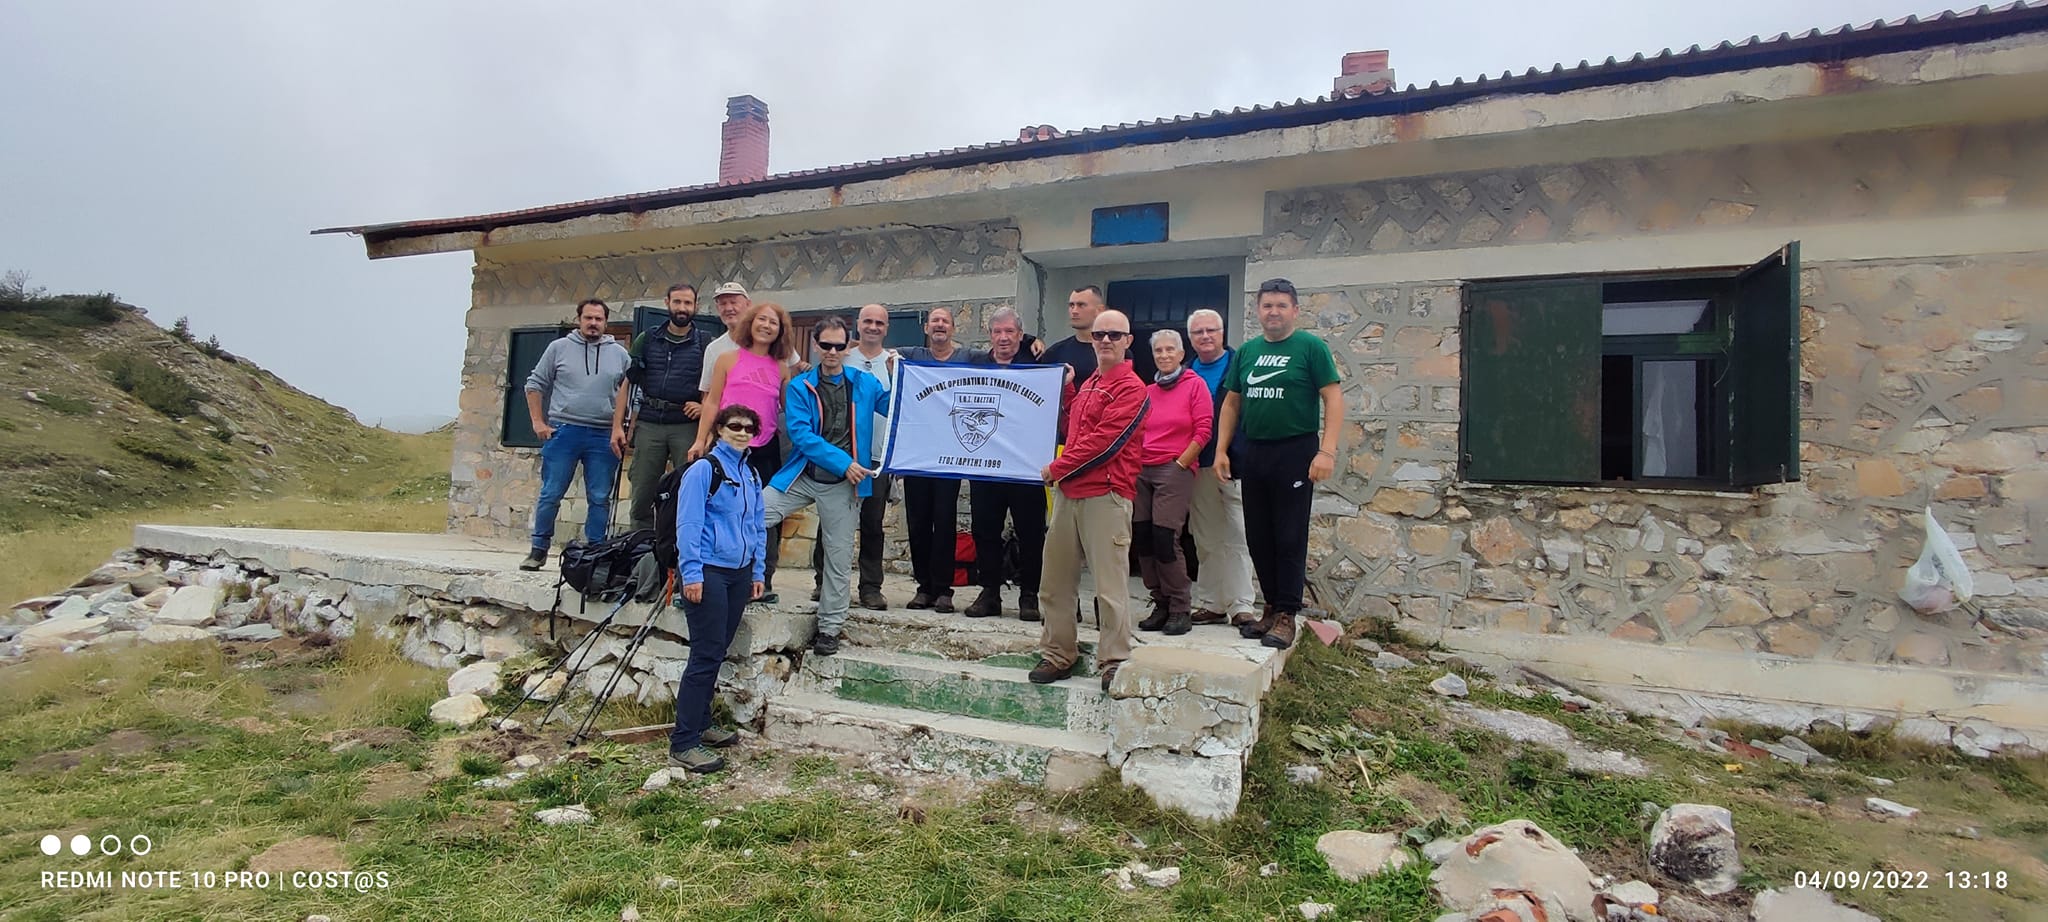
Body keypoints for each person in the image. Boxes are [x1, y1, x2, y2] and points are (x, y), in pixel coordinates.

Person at [1213, 279, 1344, 651]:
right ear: (1258, 310)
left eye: (1281, 305)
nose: (1273, 312)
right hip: (1255, 450)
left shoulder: (1311, 348)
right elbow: (1232, 403)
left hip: (1295, 450)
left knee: (1289, 535)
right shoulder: (1248, 352)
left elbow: (1333, 398)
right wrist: (1222, 450)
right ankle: (1270, 607)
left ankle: (1288, 613)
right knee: (1258, 535)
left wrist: (1327, 451)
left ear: (1295, 310)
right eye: (1267, 305)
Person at [1030, 310, 1148, 692]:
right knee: (1054, 581)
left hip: (1107, 494)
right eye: (1099, 335)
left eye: (1114, 334)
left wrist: (1056, 468)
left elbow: (1105, 444)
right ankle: (1058, 653)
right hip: (1069, 493)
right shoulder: (1088, 384)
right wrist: (1067, 392)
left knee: (1109, 588)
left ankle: (1114, 659)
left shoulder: (1132, 388)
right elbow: (1073, 430)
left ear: (1128, 340)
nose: (1105, 341)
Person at [764, 317, 891, 656]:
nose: (832, 351)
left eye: (839, 345)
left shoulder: (864, 382)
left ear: (847, 347)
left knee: (838, 556)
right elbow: (801, 435)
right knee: (752, 516)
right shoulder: (799, 386)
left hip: (842, 485)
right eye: (826, 345)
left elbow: (895, 407)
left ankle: (830, 629)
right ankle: (741, 585)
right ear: (815, 346)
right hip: (802, 475)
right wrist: (844, 462)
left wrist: (898, 375)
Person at [667, 405, 767, 774]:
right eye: (734, 426)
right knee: (705, 654)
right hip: (708, 572)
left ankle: (702, 724)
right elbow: (688, 524)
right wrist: (691, 574)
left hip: (739, 574)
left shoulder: (751, 473)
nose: (742, 433)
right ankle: (684, 742)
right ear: (719, 429)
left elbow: (757, 525)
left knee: (717, 651)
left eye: (749, 428)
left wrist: (757, 570)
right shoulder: (703, 470)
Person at [692, 301, 797, 603]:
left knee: (764, 514)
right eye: (762, 319)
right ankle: (714, 572)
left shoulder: (781, 368)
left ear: (780, 331)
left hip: (764, 449)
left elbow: (790, 409)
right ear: (750, 323)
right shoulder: (727, 359)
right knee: (719, 508)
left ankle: (762, 579)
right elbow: (712, 402)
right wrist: (700, 440)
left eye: (774, 323)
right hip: (727, 447)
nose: (767, 326)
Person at [519, 298, 631, 571]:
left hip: (603, 434)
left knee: (600, 497)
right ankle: (538, 550)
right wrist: (537, 422)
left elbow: (632, 393)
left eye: (598, 319)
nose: (593, 323)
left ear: (606, 323)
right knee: (551, 493)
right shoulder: (558, 348)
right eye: (588, 318)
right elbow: (534, 384)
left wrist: (623, 428)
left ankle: (595, 553)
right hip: (564, 430)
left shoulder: (620, 354)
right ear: (578, 320)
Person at [896, 307, 986, 613]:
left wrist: (1029, 342)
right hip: (917, 456)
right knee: (918, 523)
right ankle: (924, 588)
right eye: (934, 321)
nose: (939, 325)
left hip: (950, 457)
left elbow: (1001, 356)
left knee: (944, 522)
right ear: (926, 328)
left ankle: (944, 589)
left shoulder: (968, 357)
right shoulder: (912, 355)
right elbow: (875, 350)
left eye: (945, 321)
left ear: (953, 328)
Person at [963, 306, 1047, 622]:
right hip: (985, 466)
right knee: (984, 531)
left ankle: (1029, 595)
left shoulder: (1037, 365)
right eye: (997, 331)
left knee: (1031, 532)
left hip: (1026, 468)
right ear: (989, 335)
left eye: (1010, 331)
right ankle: (990, 593)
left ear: (1020, 335)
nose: (1003, 338)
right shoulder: (975, 365)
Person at [1133, 329, 1212, 636]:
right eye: (1158, 350)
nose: (1164, 355)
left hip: (1174, 468)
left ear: (1181, 354)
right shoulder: (1148, 391)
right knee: (1143, 536)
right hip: (1143, 469)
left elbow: (1204, 430)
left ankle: (1180, 606)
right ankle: (1160, 602)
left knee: (1165, 537)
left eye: (1170, 350)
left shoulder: (1195, 385)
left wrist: (1181, 463)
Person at [613, 283, 706, 534]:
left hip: (686, 426)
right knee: (642, 492)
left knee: (687, 490)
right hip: (650, 422)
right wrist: (617, 427)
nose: (682, 308)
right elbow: (628, 384)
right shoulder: (647, 338)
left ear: (696, 306)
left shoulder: (705, 342)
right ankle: (640, 547)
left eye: (688, 303)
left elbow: (713, 387)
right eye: (677, 302)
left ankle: (678, 547)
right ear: (667, 303)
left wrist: (703, 407)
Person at [1184, 308, 1257, 627]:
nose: (1205, 336)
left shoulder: (1242, 366)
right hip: (1199, 465)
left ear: (1222, 332)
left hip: (1236, 464)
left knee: (1239, 533)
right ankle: (1212, 603)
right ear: (1190, 338)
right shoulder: (1185, 373)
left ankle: (1241, 605)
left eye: (1211, 330)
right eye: (1198, 332)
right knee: (1206, 536)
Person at [830, 304, 899, 611]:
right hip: (841, 454)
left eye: (879, 323)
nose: (873, 327)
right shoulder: (842, 357)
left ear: (887, 328)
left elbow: (902, 405)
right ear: (857, 325)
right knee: (832, 521)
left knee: (872, 524)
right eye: (868, 321)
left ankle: (871, 588)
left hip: (877, 458)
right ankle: (824, 582)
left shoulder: (895, 362)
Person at [1040, 285, 1105, 442]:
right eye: (1071, 305)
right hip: (1062, 440)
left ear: (1099, 310)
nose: (1074, 311)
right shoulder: (1055, 353)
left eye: (1081, 305)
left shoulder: (1115, 354)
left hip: (1102, 436)